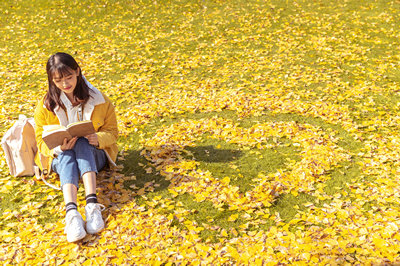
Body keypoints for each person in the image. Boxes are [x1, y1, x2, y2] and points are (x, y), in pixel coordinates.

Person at [34, 52, 118, 242]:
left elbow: (113, 133)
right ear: (51, 80)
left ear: (78, 72)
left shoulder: (99, 100)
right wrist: (58, 148)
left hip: (94, 153)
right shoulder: (45, 105)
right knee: (66, 155)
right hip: (61, 157)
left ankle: (92, 205)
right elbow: (40, 141)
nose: (65, 84)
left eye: (69, 77)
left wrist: (98, 138)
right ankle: (71, 213)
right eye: (58, 80)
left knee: (82, 143)